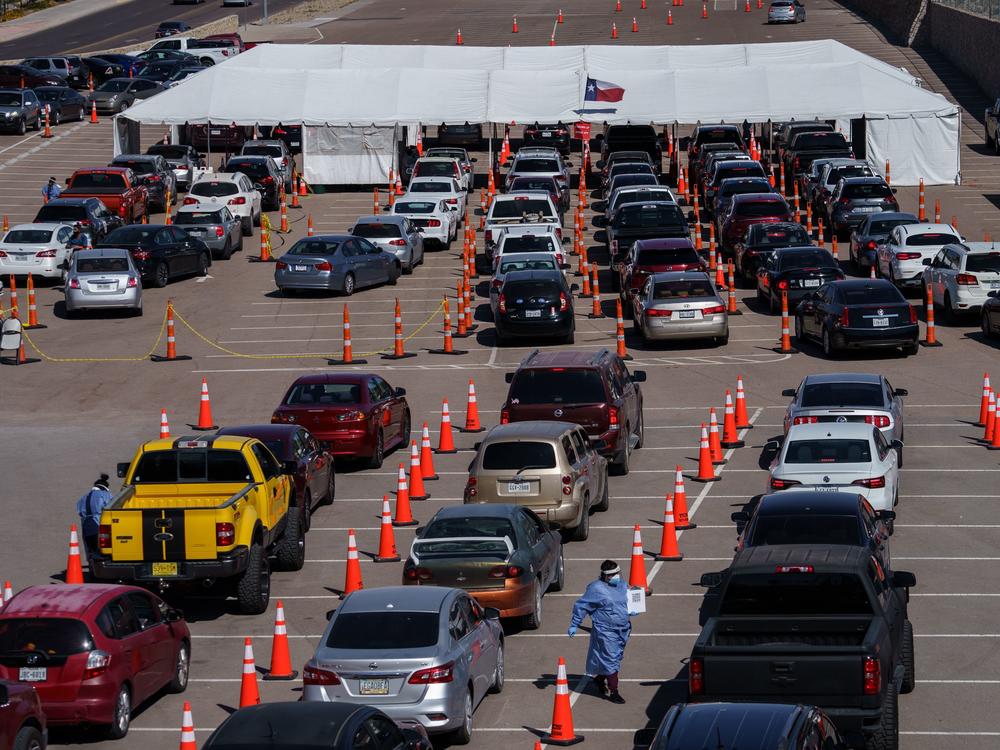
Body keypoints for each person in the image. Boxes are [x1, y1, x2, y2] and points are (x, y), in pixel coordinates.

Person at [567, 559, 632, 704]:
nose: (616, 576)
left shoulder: (621, 584)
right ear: (605, 576)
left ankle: (599, 679)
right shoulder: (596, 589)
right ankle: (614, 691)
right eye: (612, 574)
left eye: (617, 573)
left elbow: (626, 600)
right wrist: (575, 624)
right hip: (605, 631)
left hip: (623, 629)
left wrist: (633, 608)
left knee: (616, 658)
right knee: (610, 660)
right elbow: (582, 606)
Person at [76, 474, 113, 561]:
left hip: (86, 525)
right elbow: (113, 508)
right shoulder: (105, 495)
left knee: (91, 551)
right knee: (103, 552)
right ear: (105, 488)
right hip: (99, 524)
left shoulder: (83, 497)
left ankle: (92, 569)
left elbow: (80, 511)